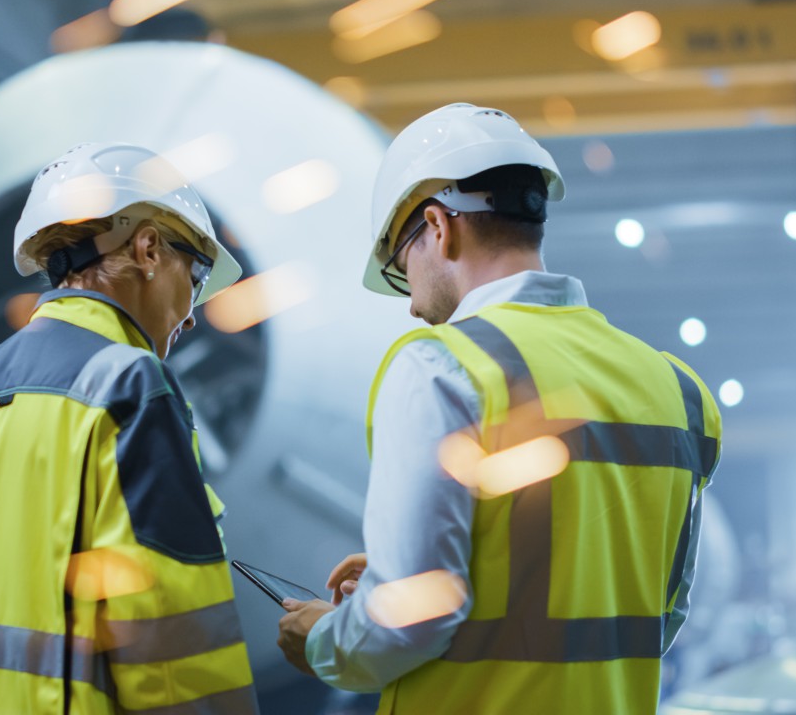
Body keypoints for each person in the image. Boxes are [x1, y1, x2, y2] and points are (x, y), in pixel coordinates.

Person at [277, 104, 721, 714]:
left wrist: (324, 639)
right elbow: (650, 612)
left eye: (404, 271)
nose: (412, 307)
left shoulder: (443, 367)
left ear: (438, 226)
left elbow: (411, 622)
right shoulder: (679, 390)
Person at [0, 142, 258, 714]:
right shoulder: (128, 387)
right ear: (149, 249)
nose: (191, 315)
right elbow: (171, 644)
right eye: (198, 275)